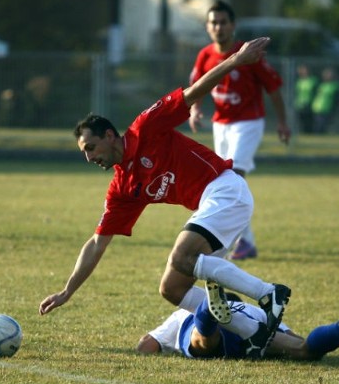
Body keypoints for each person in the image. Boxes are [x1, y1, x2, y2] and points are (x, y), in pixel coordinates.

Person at [38, 37, 291, 350]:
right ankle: (250, 330)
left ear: (109, 135)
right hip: (216, 206)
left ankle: (268, 293)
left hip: (225, 188)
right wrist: (67, 291)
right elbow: (97, 243)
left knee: (183, 256)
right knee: (172, 289)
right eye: (83, 153)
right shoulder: (122, 187)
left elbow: (193, 92)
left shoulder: (146, 127)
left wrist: (235, 61)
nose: (90, 157)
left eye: (91, 148)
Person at [188, 0, 291, 261]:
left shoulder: (248, 54)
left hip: (248, 122)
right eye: (214, 22)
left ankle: (239, 241)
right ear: (207, 27)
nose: (218, 27)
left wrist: (282, 122)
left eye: (223, 22)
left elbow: (274, 88)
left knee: (234, 176)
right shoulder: (205, 55)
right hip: (220, 124)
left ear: (232, 26)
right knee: (225, 181)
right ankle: (246, 241)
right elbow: (198, 84)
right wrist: (195, 109)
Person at [136, 285, 339, 360]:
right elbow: (294, 339)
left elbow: (148, 345)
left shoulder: (181, 313)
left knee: (204, 343)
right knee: (304, 350)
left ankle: (207, 310)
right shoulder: (252, 309)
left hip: (198, 317)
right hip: (252, 326)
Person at [311, 67, 339, 134]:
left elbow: (337, 99)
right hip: (317, 107)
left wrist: (335, 107)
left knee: (323, 124)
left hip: (327, 108)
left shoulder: (336, 86)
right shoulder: (320, 84)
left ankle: (320, 136)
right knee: (317, 124)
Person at [293, 64, 318, 134]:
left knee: (308, 121)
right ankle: (301, 133)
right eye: (302, 70)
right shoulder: (299, 81)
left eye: (305, 70)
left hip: (310, 104)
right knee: (300, 121)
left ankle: (308, 133)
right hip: (299, 104)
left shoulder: (313, 80)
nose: (304, 72)